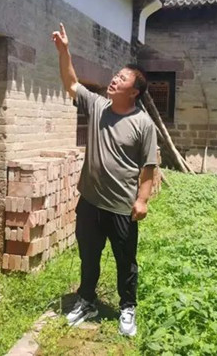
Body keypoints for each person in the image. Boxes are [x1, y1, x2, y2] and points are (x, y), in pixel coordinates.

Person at [51, 23, 158, 336]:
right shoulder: (98, 106)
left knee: (125, 261)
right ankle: (87, 300)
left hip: (122, 207)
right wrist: (64, 52)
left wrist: (142, 200)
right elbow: (71, 83)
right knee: (88, 256)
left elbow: (149, 166)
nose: (115, 79)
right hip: (90, 202)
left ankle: (127, 307)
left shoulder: (143, 124)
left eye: (122, 78)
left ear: (134, 91)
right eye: (116, 75)